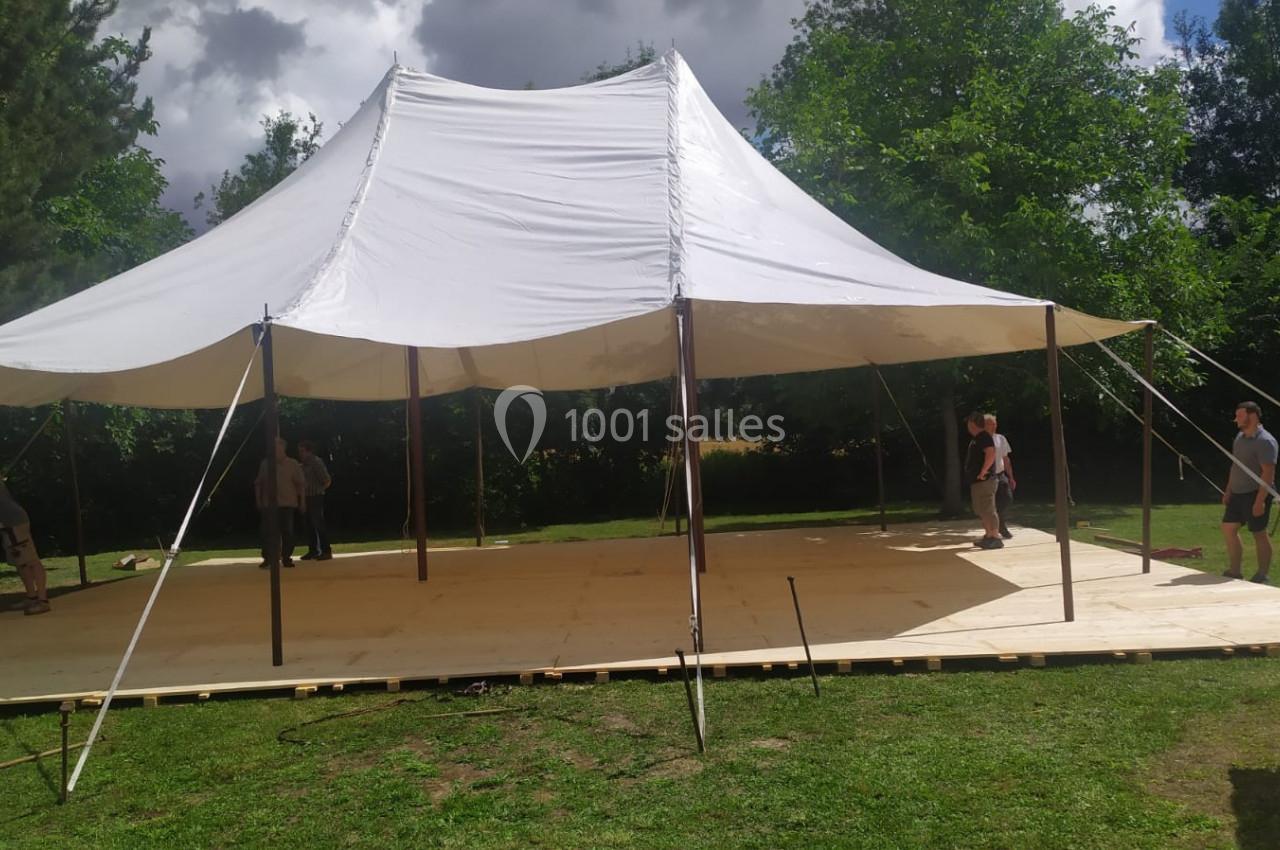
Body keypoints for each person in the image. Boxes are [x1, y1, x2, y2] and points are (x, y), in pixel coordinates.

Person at [1220, 401, 1277, 583]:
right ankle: (1235, 571)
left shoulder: (1265, 441)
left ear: (1252, 416)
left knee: (1259, 532)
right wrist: (1228, 490)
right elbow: (1234, 465)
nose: (1236, 419)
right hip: (1237, 492)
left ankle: (1263, 574)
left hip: (1255, 493)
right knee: (1229, 528)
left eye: (1240, 415)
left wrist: (1260, 500)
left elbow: (1268, 473)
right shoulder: (1240, 437)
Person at [254, 437, 306, 569]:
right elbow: (258, 483)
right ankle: (268, 558)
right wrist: (258, 500)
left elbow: (300, 485)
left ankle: (286, 557)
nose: (273, 449)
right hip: (269, 504)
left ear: (283, 448)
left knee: (287, 532)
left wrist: (302, 502)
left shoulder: (293, 464)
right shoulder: (265, 464)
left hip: (287, 504)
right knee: (267, 532)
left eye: (276, 446)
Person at [0, 480, 50, 615]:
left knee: (31, 561)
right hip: (8, 524)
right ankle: (31, 597)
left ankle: (42, 601)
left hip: (13, 522)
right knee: (20, 562)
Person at [965, 411, 1002, 549]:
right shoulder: (977, 438)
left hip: (985, 480)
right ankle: (988, 535)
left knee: (988, 508)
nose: (967, 426)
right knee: (981, 509)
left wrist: (983, 471)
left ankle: (995, 536)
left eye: (969, 423)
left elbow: (991, 453)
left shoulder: (984, 437)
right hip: (977, 481)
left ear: (973, 424)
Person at [297, 440, 333, 561]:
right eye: (299, 451)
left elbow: (327, 479)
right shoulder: (302, 465)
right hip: (305, 497)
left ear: (309, 451)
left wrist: (320, 490)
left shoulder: (316, 462)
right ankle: (313, 550)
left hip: (316, 496)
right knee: (308, 525)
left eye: (302, 451)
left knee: (318, 523)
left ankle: (326, 551)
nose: (300, 454)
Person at [984, 413, 1015, 539]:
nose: (993, 426)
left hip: (1000, 474)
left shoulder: (1000, 438)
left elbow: (1006, 459)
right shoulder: (980, 440)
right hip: (988, 476)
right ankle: (994, 530)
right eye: (990, 424)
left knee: (1007, 498)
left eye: (995, 424)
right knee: (990, 504)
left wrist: (1011, 476)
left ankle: (1000, 524)